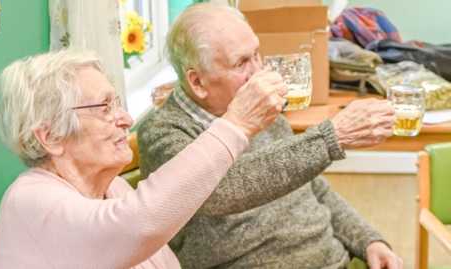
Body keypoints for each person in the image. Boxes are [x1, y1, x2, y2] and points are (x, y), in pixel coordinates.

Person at [137, 3, 403, 269]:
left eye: (256, 53)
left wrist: (369, 241)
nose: (259, 72)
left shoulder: (261, 105)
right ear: (197, 82)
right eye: (241, 62)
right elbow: (221, 190)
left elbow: (313, 188)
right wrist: (333, 136)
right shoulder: (161, 131)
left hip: (334, 260)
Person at [0, 47, 289, 268]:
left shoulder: (113, 188)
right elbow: (139, 223)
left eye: (116, 103)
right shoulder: (29, 202)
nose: (127, 119)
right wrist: (236, 125)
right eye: (104, 107)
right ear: (51, 136)